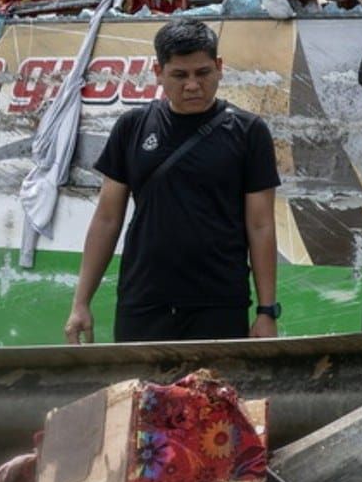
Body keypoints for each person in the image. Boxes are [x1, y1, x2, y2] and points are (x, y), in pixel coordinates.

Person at [66, 17, 282, 344]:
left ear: (219, 67)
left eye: (203, 73)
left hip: (219, 303)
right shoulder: (131, 127)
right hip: (143, 302)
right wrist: (81, 302)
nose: (192, 85)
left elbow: (261, 225)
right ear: (158, 73)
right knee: (140, 394)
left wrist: (267, 311)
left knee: (213, 394)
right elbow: (107, 219)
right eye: (179, 75)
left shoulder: (249, 132)